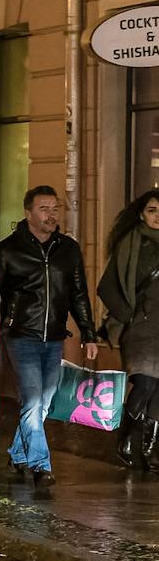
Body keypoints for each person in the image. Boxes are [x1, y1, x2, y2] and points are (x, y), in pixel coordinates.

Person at [0, 185, 99, 489]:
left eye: (55, 208)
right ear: (28, 212)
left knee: (42, 403)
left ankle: (17, 453)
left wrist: (89, 333)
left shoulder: (68, 249)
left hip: (54, 336)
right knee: (34, 398)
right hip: (20, 334)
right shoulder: (8, 250)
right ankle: (40, 464)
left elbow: (78, 294)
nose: (51, 215)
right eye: (44, 209)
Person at [100, 189, 159, 468]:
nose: (158, 216)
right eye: (152, 210)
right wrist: (128, 314)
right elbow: (107, 286)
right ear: (141, 214)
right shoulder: (130, 244)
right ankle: (125, 438)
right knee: (145, 382)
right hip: (140, 329)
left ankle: (148, 448)